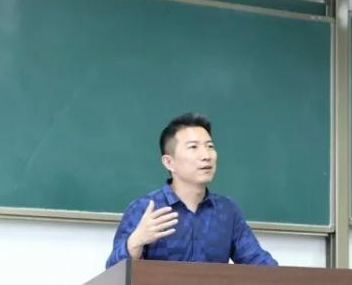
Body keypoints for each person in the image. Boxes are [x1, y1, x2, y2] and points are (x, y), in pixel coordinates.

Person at [106, 113, 277, 268]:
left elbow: (259, 262)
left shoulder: (227, 211)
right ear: (169, 162)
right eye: (193, 147)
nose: (206, 156)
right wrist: (135, 242)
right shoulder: (145, 208)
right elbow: (113, 272)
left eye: (210, 146)